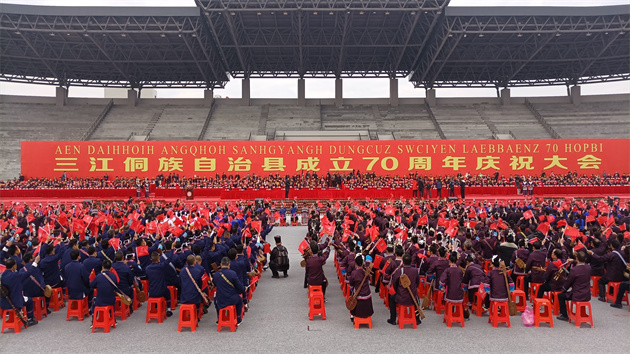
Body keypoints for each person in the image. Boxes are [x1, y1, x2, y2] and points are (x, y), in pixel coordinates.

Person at [0, 256, 40, 326]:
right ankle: (30, 319)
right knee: (30, 301)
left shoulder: (3, 275)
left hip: (5, 302)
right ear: (14, 266)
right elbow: (28, 273)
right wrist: (35, 262)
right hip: (15, 302)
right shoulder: (15, 275)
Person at [557, 251, 591, 321]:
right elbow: (582, 265)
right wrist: (574, 261)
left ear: (577, 258)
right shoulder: (589, 268)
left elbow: (568, 283)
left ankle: (564, 315)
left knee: (560, 296)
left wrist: (563, 289)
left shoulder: (574, 270)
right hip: (586, 294)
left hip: (577, 294)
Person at [389, 253, 420, 325]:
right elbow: (417, 283)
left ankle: (392, 319)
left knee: (391, 298)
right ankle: (417, 319)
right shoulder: (415, 271)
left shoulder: (399, 271)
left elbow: (395, 282)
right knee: (416, 298)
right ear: (411, 262)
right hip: (412, 296)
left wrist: (398, 291)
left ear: (402, 261)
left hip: (401, 296)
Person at [213, 257, 245, 325]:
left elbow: (214, 284)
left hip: (220, 299)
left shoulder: (216, 275)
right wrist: (243, 289)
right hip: (231, 299)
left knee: (216, 301)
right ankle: (238, 319)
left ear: (221, 264)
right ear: (229, 264)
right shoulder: (233, 273)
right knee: (239, 301)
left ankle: (219, 318)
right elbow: (238, 286)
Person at [89, 259, 118, 327]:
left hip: (100, 300)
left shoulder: (98, 276)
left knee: (94, 304)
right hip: (111, 299)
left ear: (102, 267)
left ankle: (93, 321)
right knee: (112, 302)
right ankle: (113, 319)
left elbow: (92, 285)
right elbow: (115, 286)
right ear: (110, 268)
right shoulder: (113, 276)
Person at [145, 251, 174, 317]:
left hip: (151, 292)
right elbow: (169, 259)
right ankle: (169, 309)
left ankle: (155, 307)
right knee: (168, 291)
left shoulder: (147, 268)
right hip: (161, 291)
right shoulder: (161, 266)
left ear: (151, 259)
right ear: (158, 259)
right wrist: (172, 249)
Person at [348, 254, 374, 322]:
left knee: (352, 292)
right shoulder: (366, 272)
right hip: (367, 294)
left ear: (355, 263)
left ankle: (353, 315)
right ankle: (367, 315)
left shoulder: (354, 273)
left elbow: (351, 284)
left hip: (358, 295)